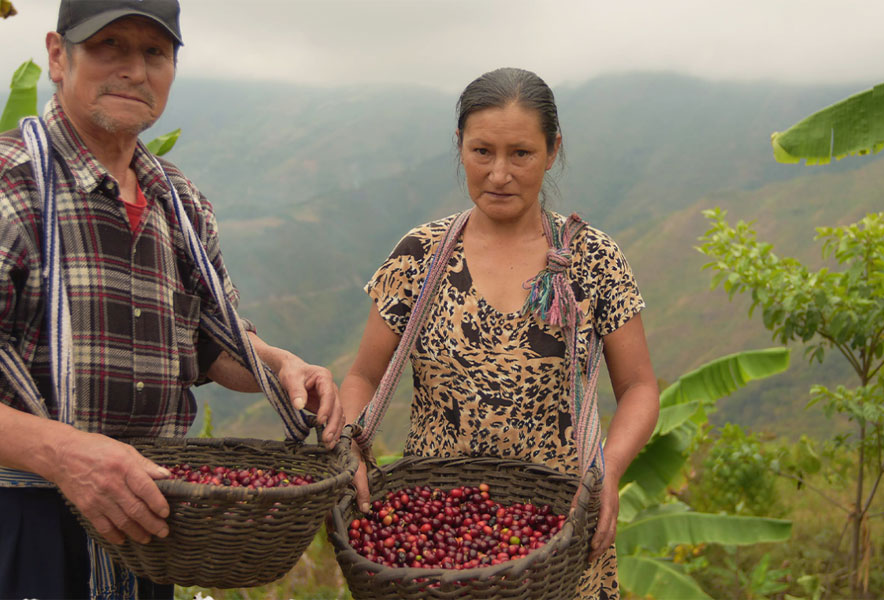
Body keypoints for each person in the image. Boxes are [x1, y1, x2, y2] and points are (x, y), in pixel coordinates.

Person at [0, 1, 344, 598]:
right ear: (58, 56)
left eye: (155, 52)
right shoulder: (12, 186)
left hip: (151, 528)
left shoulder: (177, 200)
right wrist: (64, 455)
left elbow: (210, 343)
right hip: (21, 524)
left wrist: (280, 364)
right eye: (111, 46)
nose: (136, 70)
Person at [340, 67, 659, 599]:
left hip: (558, 533)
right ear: (459, 147)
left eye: (521, 154)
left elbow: (639, 387)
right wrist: (352, 443)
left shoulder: (592, 258)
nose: (500, 173)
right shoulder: (419, 256)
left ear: (553, 150)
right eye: (482, 152)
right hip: (435, 536)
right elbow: (362, 375)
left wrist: (610, 469)